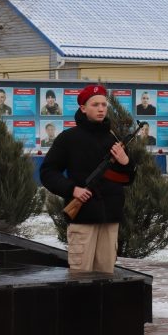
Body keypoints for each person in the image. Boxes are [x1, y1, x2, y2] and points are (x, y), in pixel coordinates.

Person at [39, 84, 134, 274]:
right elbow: (48, 172)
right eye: (95, 104)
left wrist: (126, 162)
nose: (101, 109)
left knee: (106, 275)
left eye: (104, 105)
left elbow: (127, 179)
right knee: (80, 275)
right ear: (83, 108)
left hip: (110, 218)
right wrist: (72, 189)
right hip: (83, 218)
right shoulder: (69, 138)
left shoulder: (112, 138)